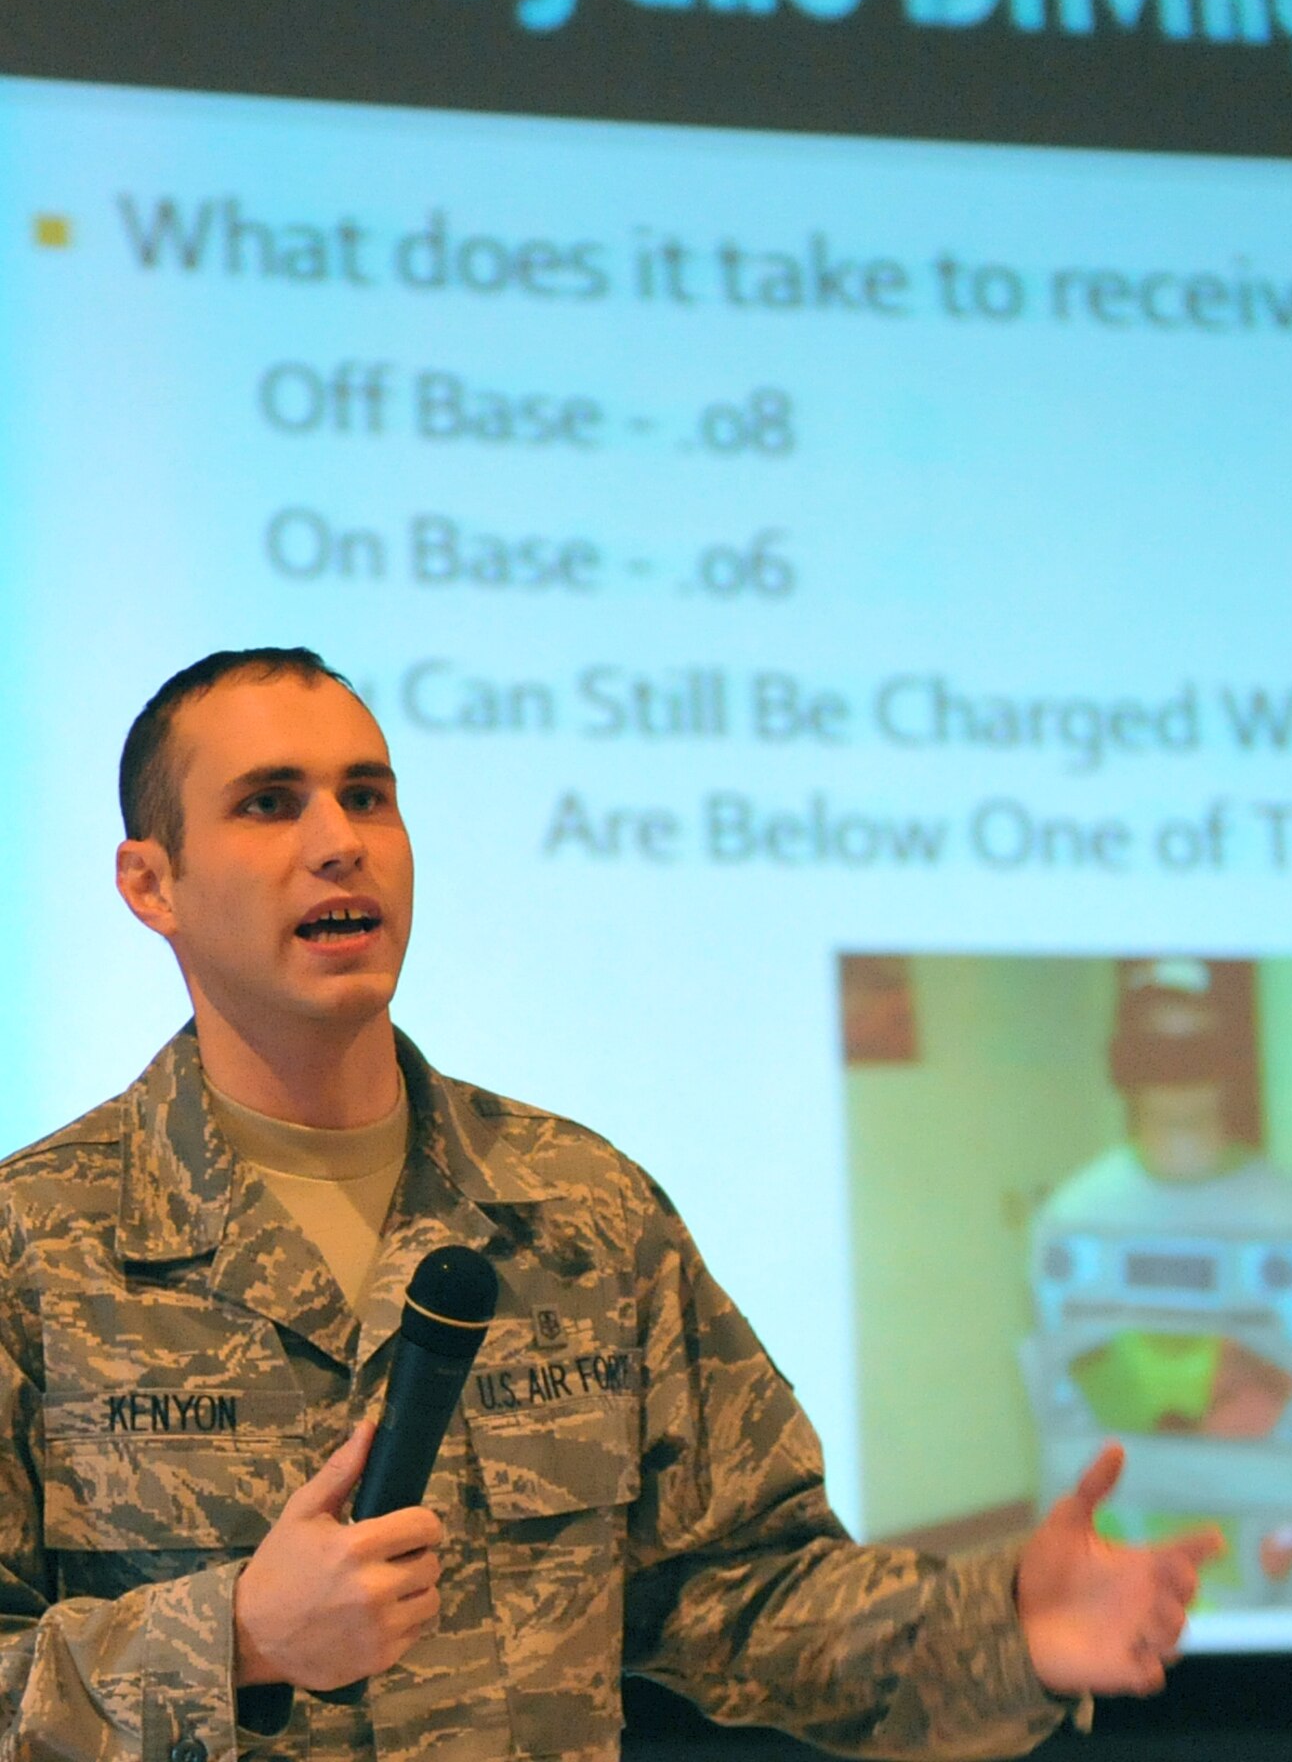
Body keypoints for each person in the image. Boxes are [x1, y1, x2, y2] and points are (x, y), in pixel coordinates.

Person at [0, 649, 1217, 1762]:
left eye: (367, 796)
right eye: (270, 802)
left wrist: (1007, 1627)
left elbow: (741, 1591)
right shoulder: (36, 1244)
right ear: (150, 882)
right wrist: (236, 1639)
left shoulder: (576, 1209)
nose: (340, 841)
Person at [1027, 960, 1292, 1607]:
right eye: (1157, 1050)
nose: (1180, 1073)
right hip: (1122, 1543)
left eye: (1196, 1047)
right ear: (1124, 1065)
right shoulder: (1072, 1219)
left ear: (1226, 1061)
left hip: (1275, 1567)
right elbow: (1062, 1403)